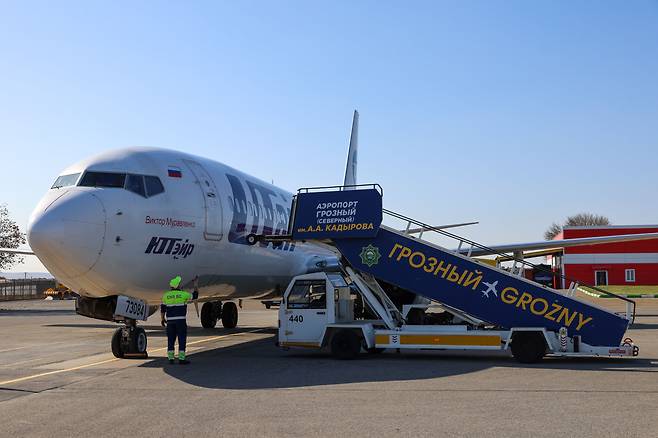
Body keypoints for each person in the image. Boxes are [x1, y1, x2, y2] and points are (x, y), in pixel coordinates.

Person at [161, 275, 198, 364]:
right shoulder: (183, 294)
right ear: (177, 286)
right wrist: (195, 284)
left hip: (170, 322)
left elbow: (163, 309)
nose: (181, 285)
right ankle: (181, 359)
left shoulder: (165, 296)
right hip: (180, 321)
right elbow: (195, 296)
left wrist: (162, 319)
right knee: (181, 339)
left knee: (170, 340)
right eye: (179, 284)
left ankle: (171, 359)